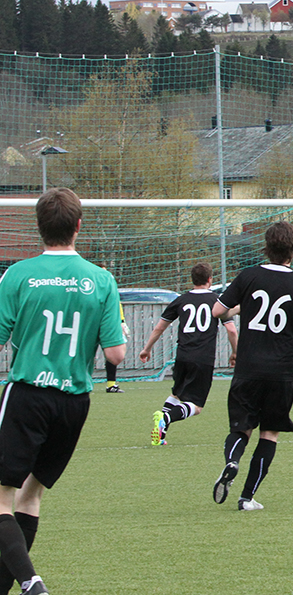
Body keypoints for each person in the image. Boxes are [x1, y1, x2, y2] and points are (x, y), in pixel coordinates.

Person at [0, 188, 126, 595]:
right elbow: (116, 354)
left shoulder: (17, 275)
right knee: (31, 496)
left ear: (39, 228)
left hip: (28, 396)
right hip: (74, 402)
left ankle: (31, 581)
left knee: (1, 499)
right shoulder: (101, 279)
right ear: (77, 226)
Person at [209, 221, 293, 511]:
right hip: (282, 371)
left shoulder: (249, 276)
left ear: (266, 247)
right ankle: (247, 498)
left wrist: (242, 306)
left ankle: (231, 461)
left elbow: (217, 310)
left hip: (248, 367)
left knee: (242, 428)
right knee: (270, 433)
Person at [138, 263, 239, 446]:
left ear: (192, 280)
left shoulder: (181, 299)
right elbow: (231, 330)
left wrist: (147, 348)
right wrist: (235, 353)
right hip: (203, 359)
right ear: (210, 279)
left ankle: (161, 432)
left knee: (176, 394)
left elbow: (160, 327)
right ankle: (166, 418)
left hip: (182, 356)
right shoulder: (217, 302)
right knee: (196, 406)